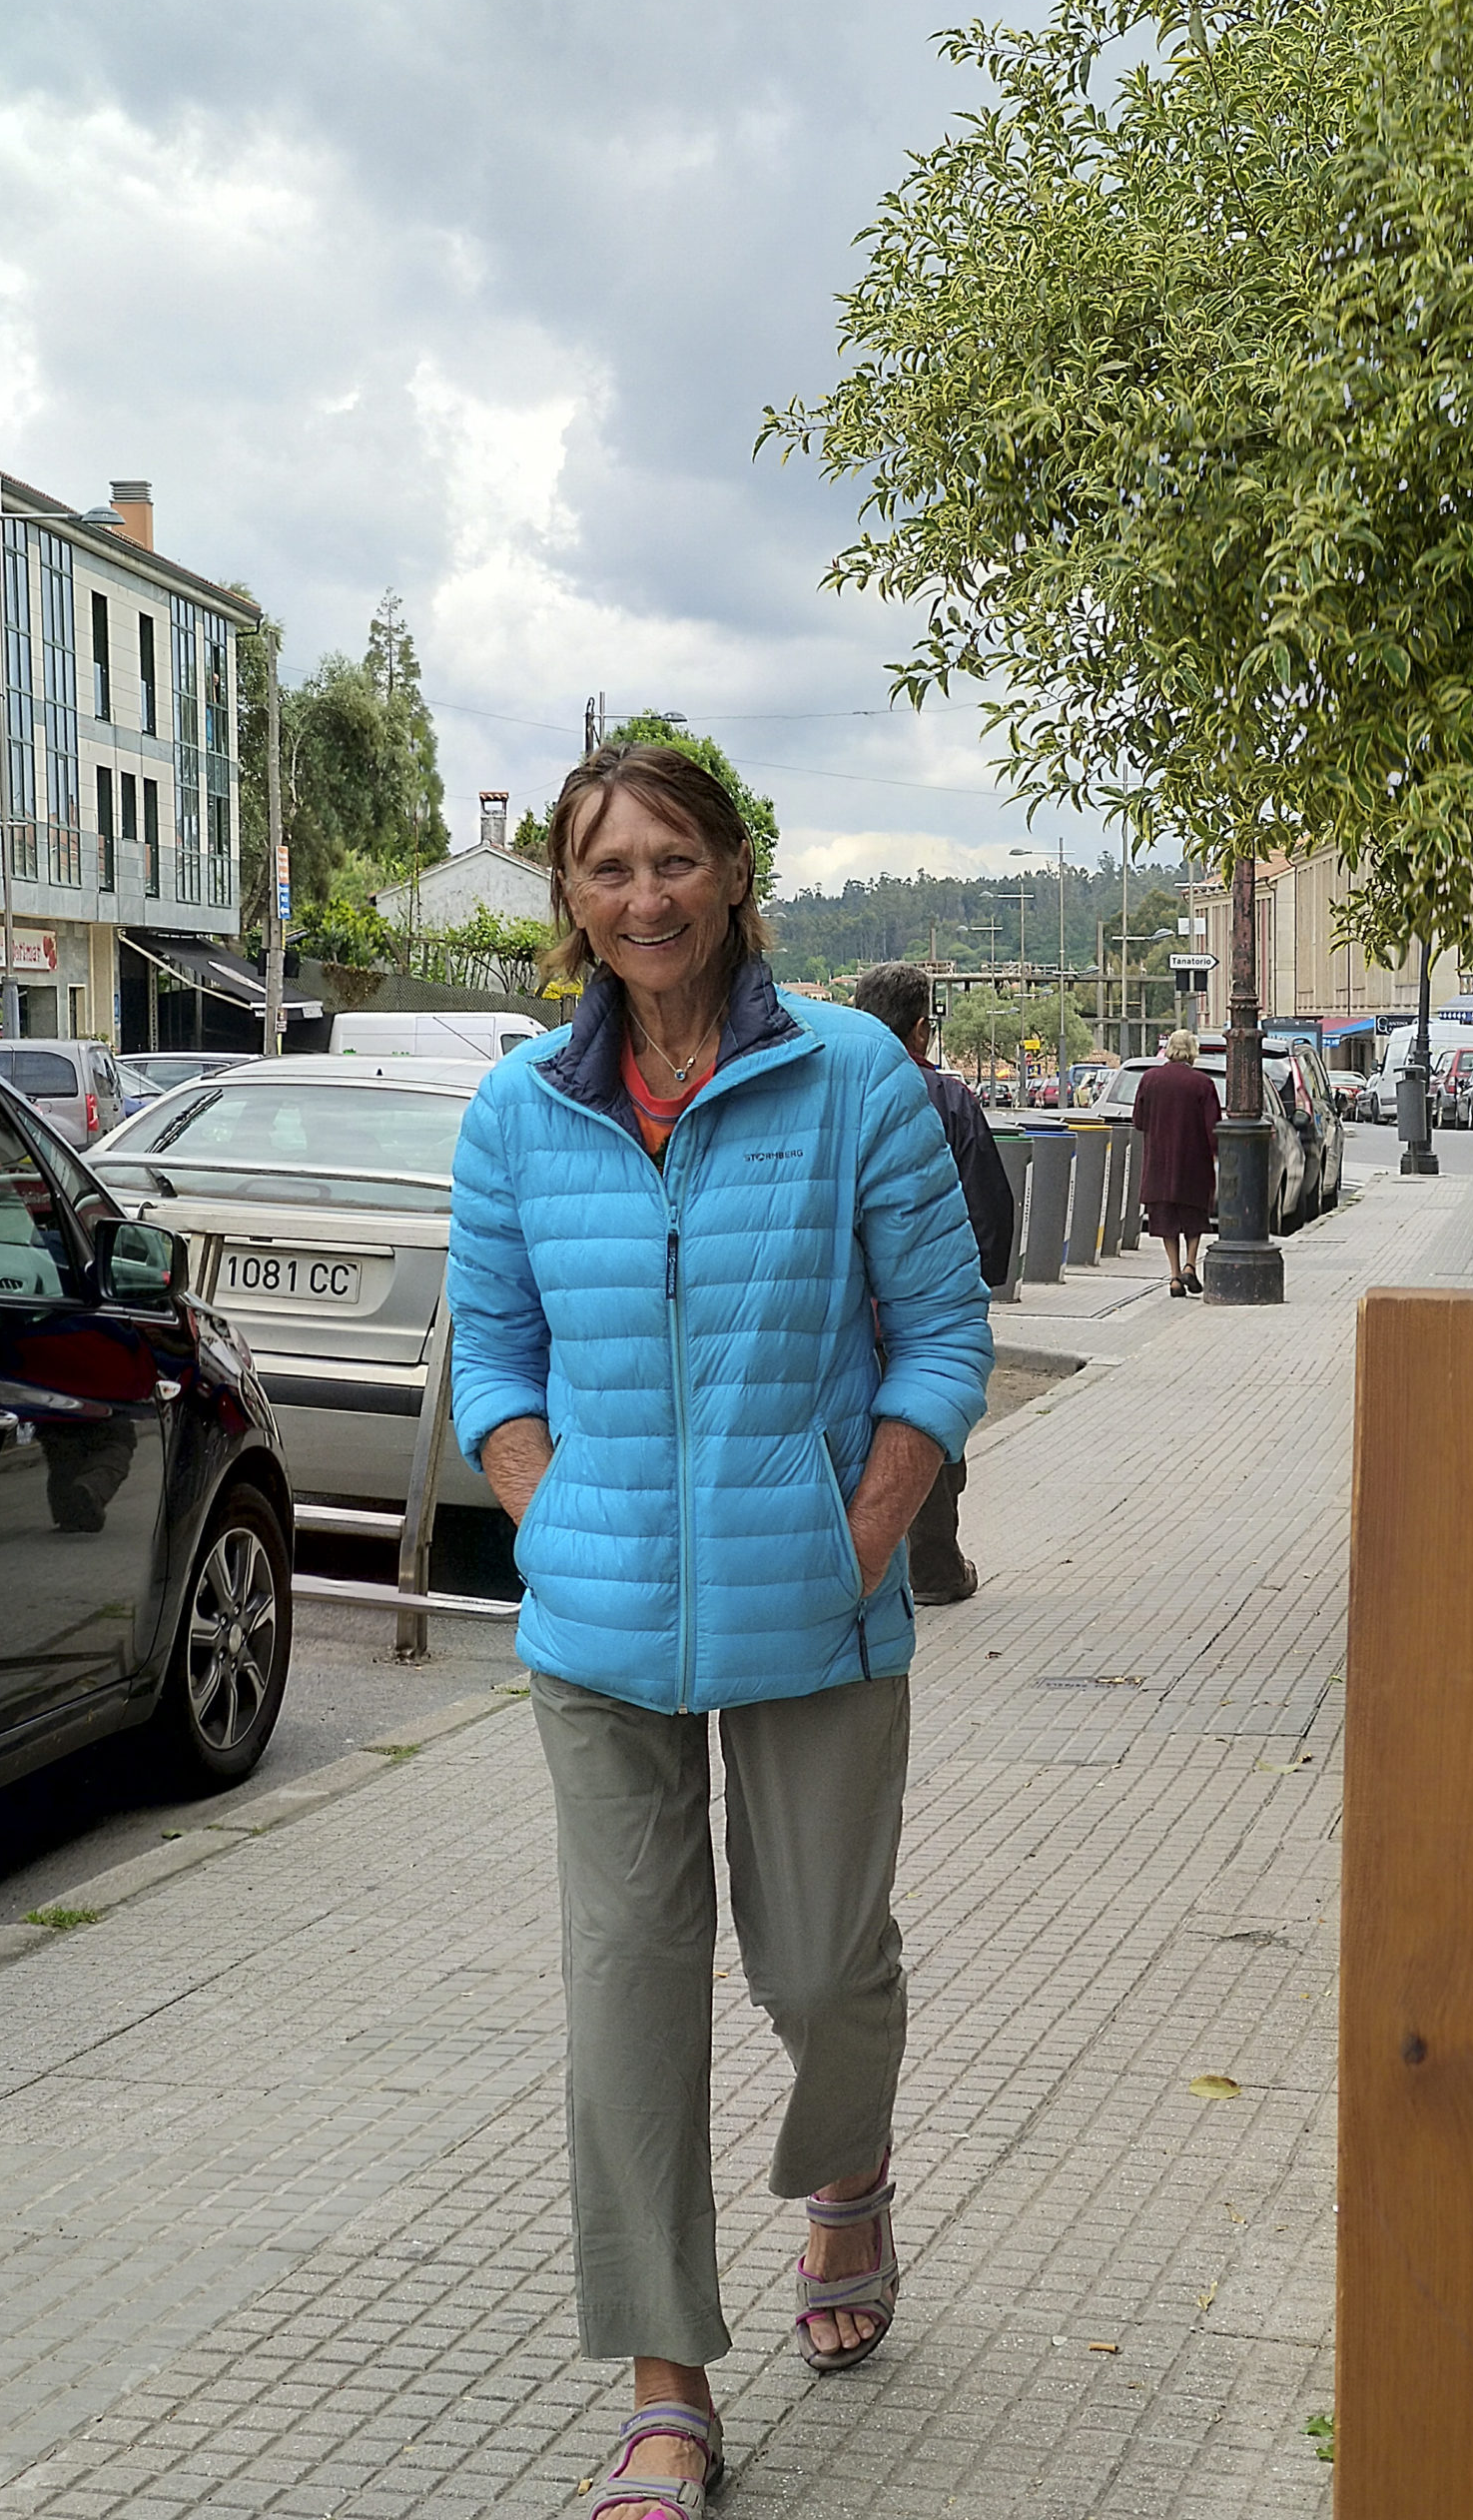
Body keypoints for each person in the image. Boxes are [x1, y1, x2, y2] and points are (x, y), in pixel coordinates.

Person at [446, 743, 994, 2520]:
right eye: (607, 871)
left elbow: (939, 1334)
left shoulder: (850, 1077)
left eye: (673, 860)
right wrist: (545, 1504)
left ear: (736, 869)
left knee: (823, 1969)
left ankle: (846, 2172)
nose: (644, 900)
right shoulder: (521, 1107)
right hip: (596, 1629)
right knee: (628, 1990)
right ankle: (666, 2382)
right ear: (571, 901)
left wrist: (864, 1536)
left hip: (816, 1605)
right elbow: (498, 1345)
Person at [853, 961, 1016, 1604]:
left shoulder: (824, 1095)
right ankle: (935, 1569)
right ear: (921, 1028)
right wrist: (977, 1292)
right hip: (919, 1305)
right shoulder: (946, 1097)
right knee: (927, 1422)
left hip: (840, 1305)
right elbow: (987, 1205)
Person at [1133, 1028, 1220, 1296]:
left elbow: (1139, 1121)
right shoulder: (1202, 1083)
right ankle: (1190, 1265)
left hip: (1159, 1162)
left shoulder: (1150, 1079)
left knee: (1166, 1220)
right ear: (1192, 1052)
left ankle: (1173, 1277)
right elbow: (1213, 1126)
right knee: (1194, 1217)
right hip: (1193, 1164)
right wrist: (1217, 1153)